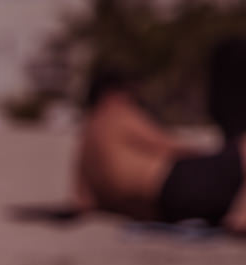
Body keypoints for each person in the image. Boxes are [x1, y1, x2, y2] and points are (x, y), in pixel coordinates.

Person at [71, 39, 246, 232]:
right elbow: (170, 146)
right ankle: (241, 216)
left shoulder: (89, 130)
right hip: (172, 187)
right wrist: (219, 157)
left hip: (164, 207)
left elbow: (83, 201)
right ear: (115, 92)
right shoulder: (118, 114)